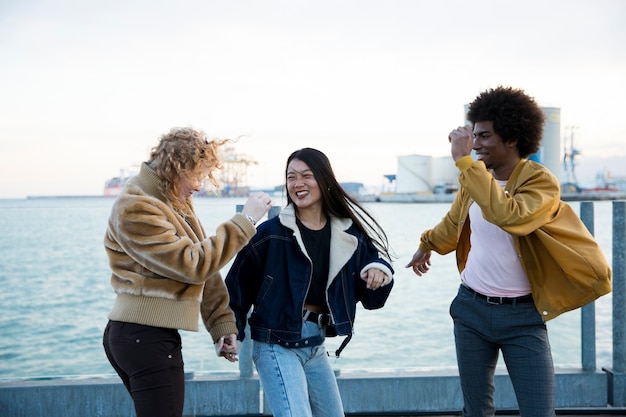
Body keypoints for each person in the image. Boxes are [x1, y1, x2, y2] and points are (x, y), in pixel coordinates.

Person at [406, 86, 611, 417]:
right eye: (473, 136)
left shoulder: (541, 182)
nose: (475, 145)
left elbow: (509, 216)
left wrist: (462, 163)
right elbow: (454, 223)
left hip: (523, 318)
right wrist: (427, 244)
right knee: (477, 411)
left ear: (513, 138)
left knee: (539, 412)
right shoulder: (476, 178)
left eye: (485, 136)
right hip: (471, 310)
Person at [102, 127, 273, 417]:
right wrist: (246, 220)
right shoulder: (136, 206)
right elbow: (192, 264)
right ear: (177, 167)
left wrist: (221, 325)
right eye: (198, 175)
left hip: (150, 337)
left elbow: (206, 268)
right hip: (142, 337)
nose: (200, 185)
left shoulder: (173, 201)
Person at [225, 147, 395, 417]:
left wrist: (379, 272)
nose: (297, 183)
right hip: (275, 344)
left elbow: (373, 297)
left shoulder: (347, 233)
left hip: (316, 346)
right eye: (291, 177)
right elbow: (235, 287)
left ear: (324, 179)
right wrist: (229, 331)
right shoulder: (270, 234)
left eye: (306, 175)